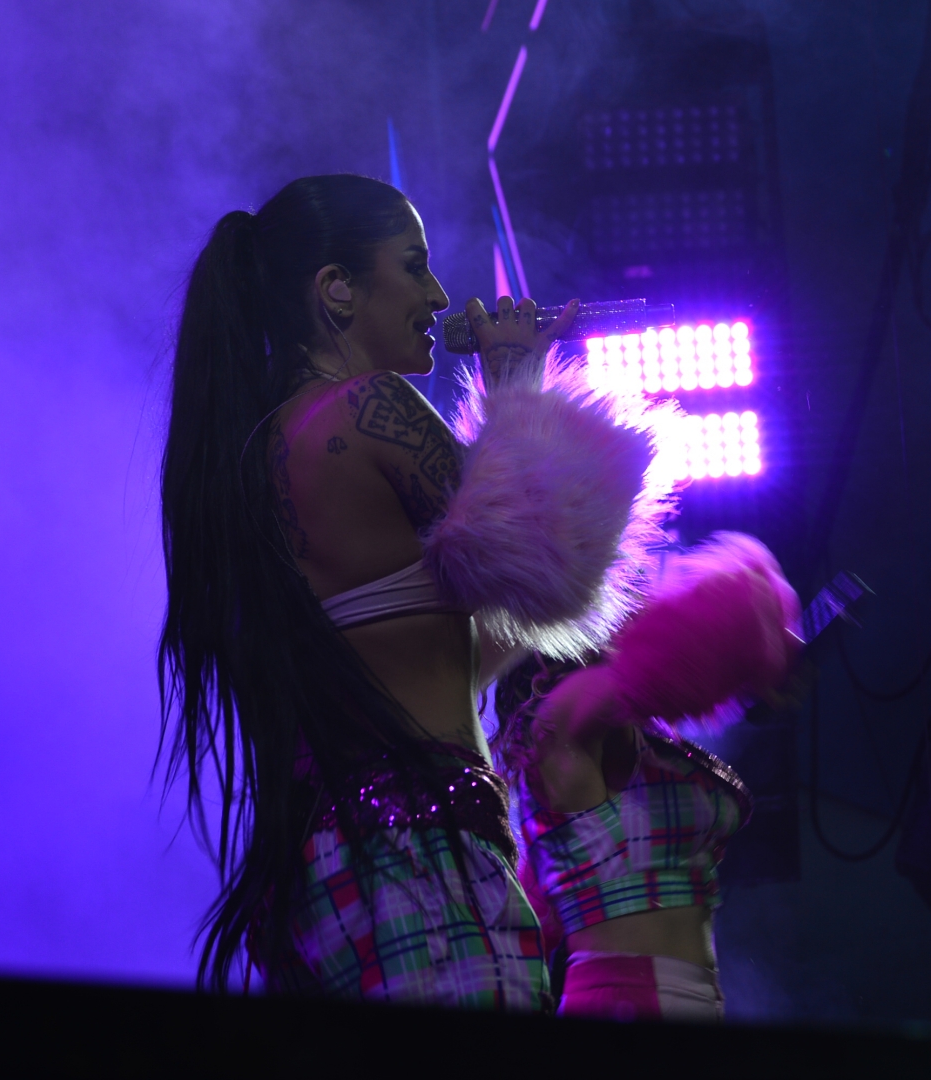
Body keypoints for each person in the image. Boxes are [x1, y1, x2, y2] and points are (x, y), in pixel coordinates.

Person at [160, 173, 651, 1009]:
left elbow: (447, 644)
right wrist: (517, 382)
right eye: (414, 266)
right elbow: (549, 561)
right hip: (419, 862)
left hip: (333, 872)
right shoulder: (368, 407)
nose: (437, 294)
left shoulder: (258, 451)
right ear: (338, 291)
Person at [493, 534, 801, 1022]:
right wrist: (748, 621)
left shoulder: (639, 732)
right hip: (625, 997)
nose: (642, 588)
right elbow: (666, 666)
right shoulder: (562, 717)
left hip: (691, 997)